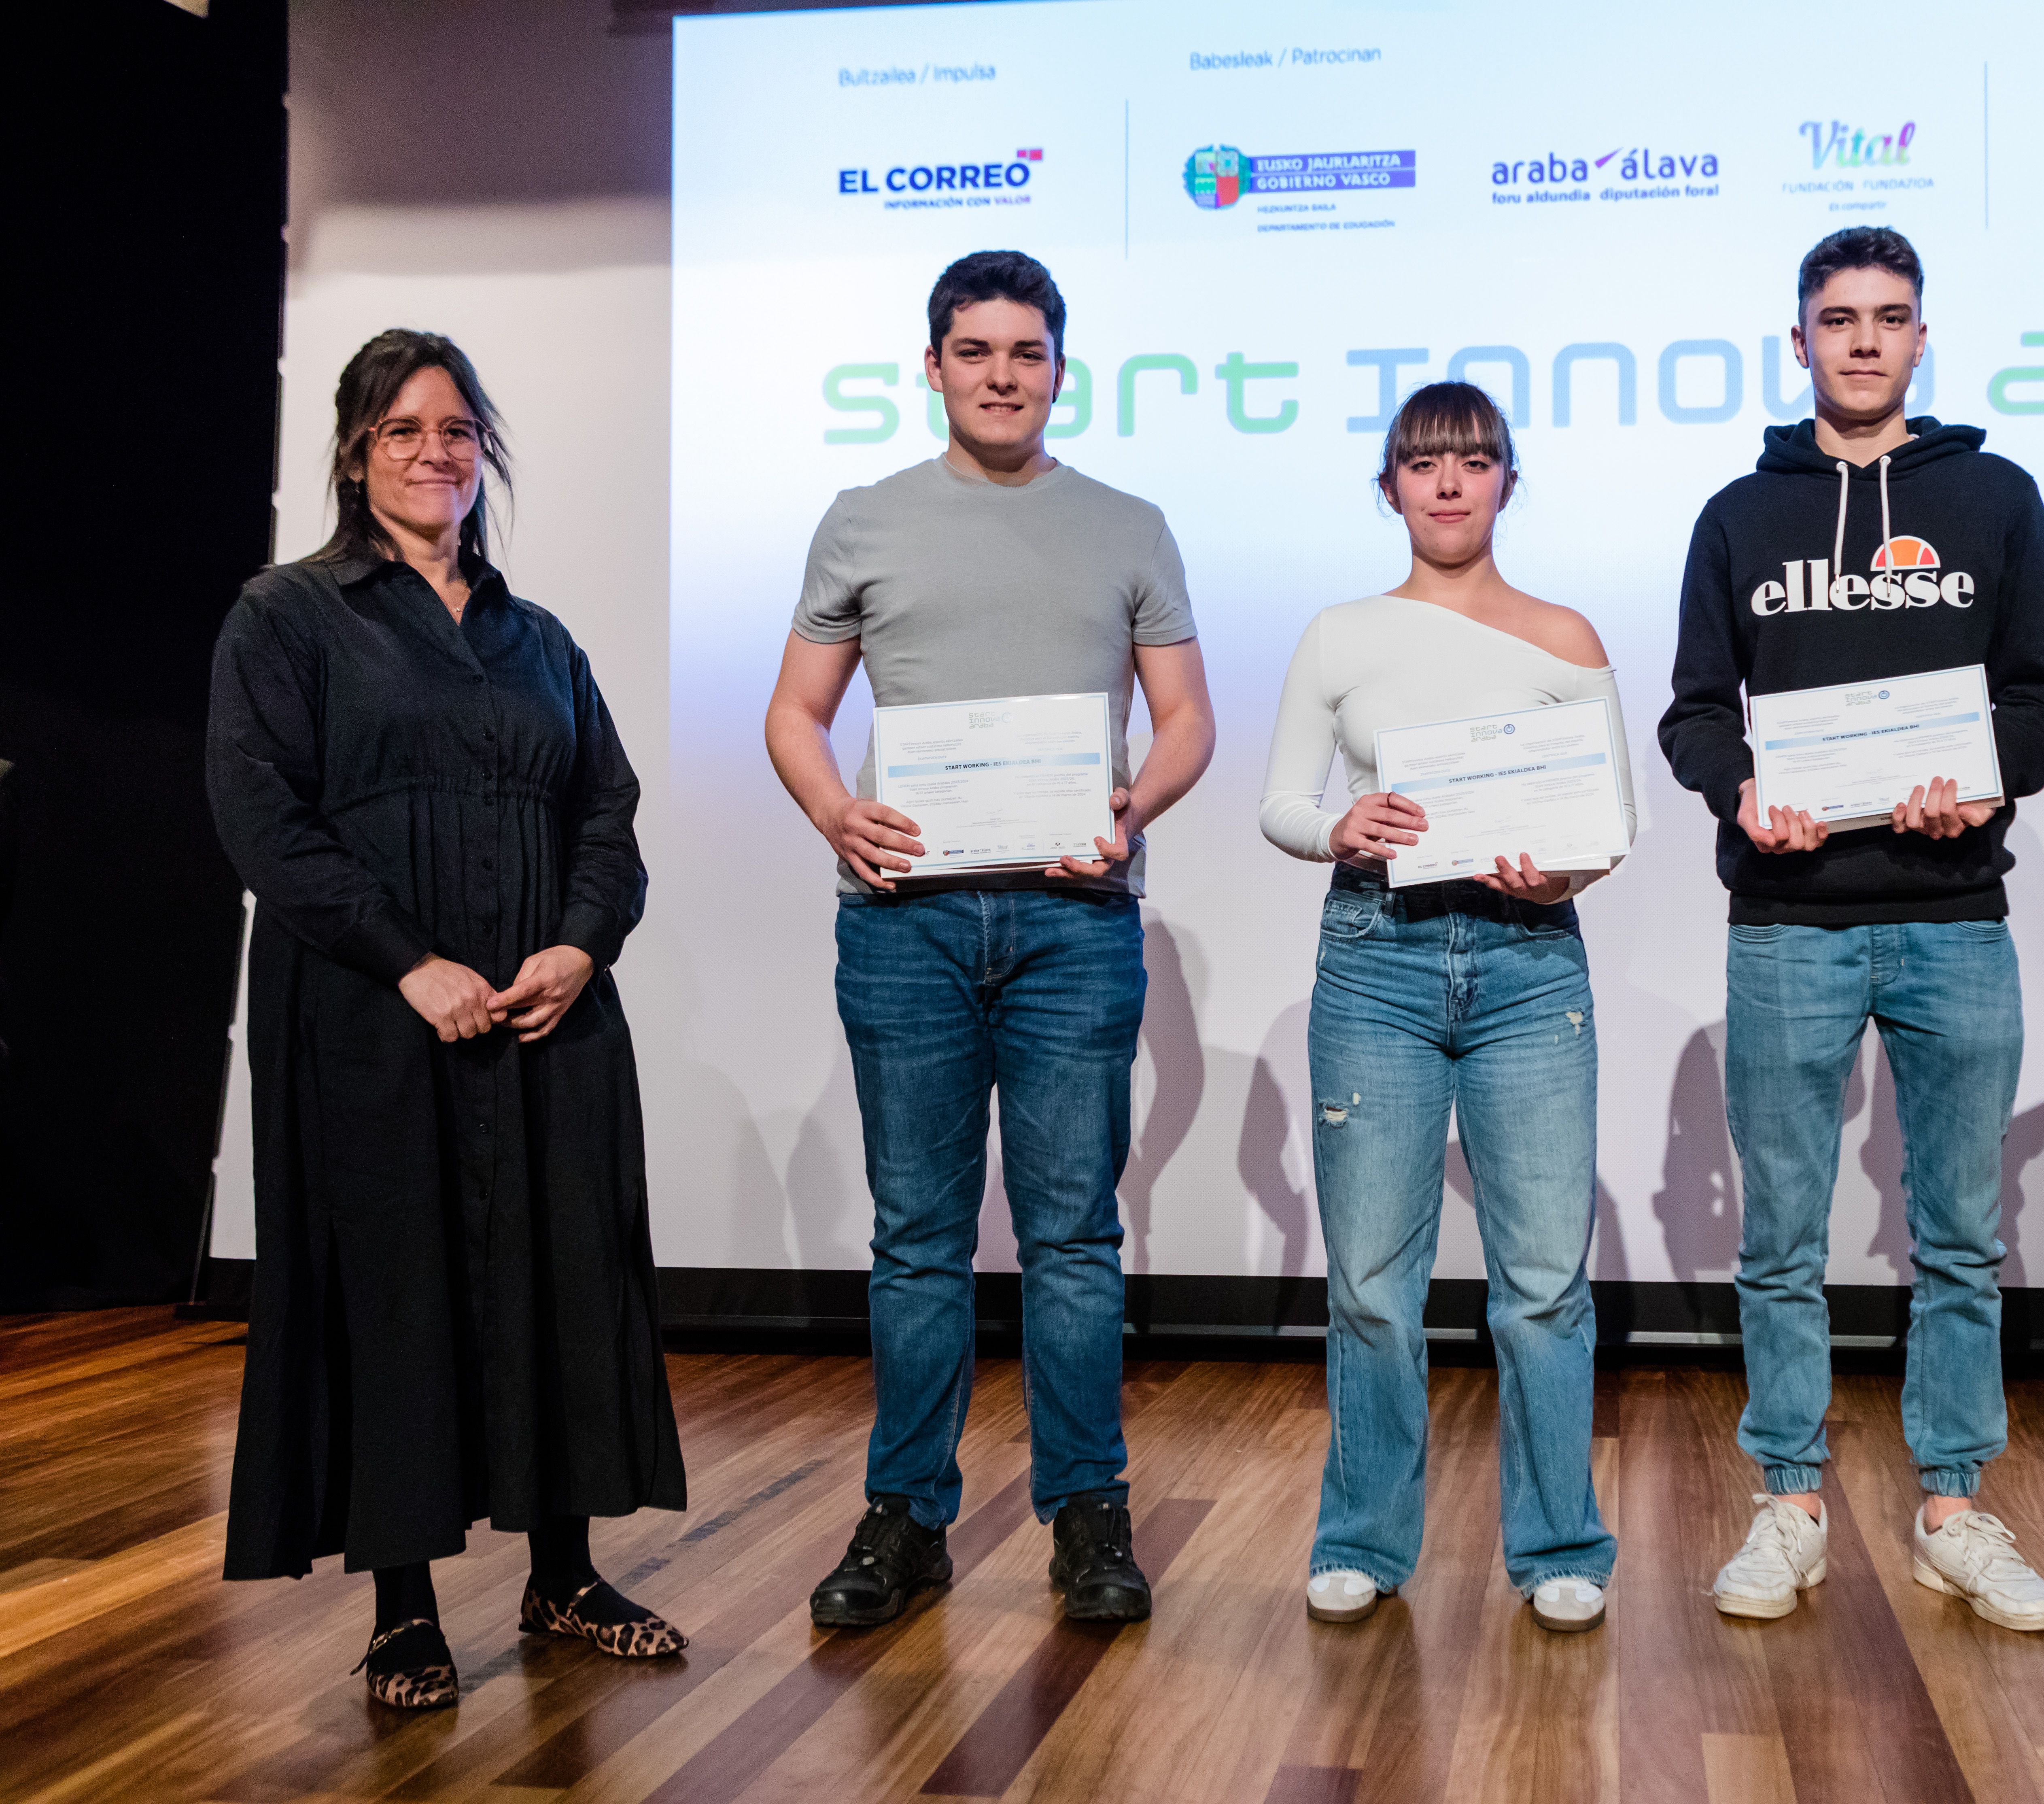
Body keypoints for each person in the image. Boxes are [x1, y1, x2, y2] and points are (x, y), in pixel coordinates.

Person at [210, 329, 687, 1712]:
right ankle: (405, 1607)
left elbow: (608, 814)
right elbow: (263, 821)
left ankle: (564, 1571)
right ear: (357, 454)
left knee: (561, 1269)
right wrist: (409, 960)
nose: (437, 452)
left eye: (460, 430)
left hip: (545, 1015)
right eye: (405, 430)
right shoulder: (288, 616)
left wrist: (581, 945)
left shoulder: (541, 640)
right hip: (373, 1016)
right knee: (397, 1284)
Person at [765, 251, 1215, 1628]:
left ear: (1059, 371)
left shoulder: (1129, 524)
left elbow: (1188, 718)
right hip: (905, 927)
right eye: (976, 351)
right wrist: (840, 811)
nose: (1002, 374)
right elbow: (796, 713)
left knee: (1073, 1236)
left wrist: (1132, 804)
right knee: (918, 1238)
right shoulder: (863, 521)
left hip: (1077, 917)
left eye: (1027, 353)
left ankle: (1088, 1515)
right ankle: (906, 1520)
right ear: (934, 366)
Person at [1658, 226, 2044, 1632]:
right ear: (1798, 343)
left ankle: (1954, 1502)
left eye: (1889, 318)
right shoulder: (1738, 515)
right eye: (1836, 319)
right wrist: (1743, 787)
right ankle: (1790, 1500)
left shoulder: (1999, 497)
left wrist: (1982, 777)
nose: (1862, 340)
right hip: (1786, 918)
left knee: (1960, 1231)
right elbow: (1696, 710)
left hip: (1957, 916)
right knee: (1782, 1234)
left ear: (1920, 338)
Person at [1258, 381, 1627, 1633]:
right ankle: (1362, 1535)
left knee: (1540, 1282)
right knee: (1369, 1278)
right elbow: (1282, 802)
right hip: (1378, 956)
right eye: (1426, 462)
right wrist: (1338, 827)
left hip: (1530, 961)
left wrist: (1559, 864)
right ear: (1391, 486)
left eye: (1475, 460)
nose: (1452, 482)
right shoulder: (1339, 633)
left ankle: (1560, 1543)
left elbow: (1606, 831)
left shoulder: (1568, 636)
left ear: (1509, 481)